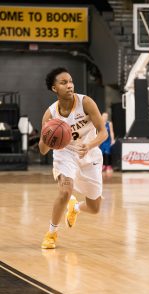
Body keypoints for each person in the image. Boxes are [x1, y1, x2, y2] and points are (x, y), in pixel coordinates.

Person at [39, 67, 108, 249]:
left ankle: (75, 208)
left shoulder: (86, 102)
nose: (69, 85)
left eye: (70, 81)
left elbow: (103, 133)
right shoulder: (50, 115)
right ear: (55, 89)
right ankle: (52, 233)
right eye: (63, 83)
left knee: (95, 208)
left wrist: (90, 145)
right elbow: (43, 150)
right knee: (65, 192)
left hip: (90, 154)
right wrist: (48, 136)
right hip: (65, 153)